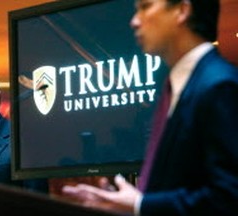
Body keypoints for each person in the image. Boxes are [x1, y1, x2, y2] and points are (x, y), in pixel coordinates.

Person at [62, 0, 238, 215]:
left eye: (145, 7)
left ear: (182, 10)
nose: (134, 21)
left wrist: (140, 205)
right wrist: (129, 204)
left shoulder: (219, 85)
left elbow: (228, 198)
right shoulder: (177, 85)